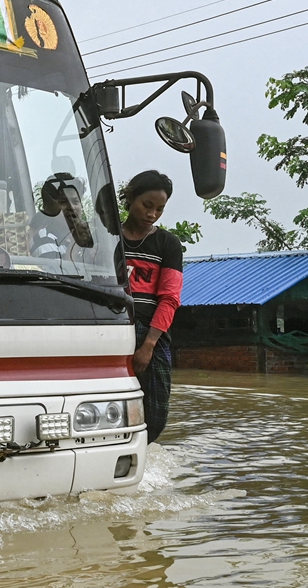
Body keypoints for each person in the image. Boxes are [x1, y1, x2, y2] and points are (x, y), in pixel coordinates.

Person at [120, 170, 182, 444]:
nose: (152, 214)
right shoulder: (108, 237)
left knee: (156, 415)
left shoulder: (168, 244)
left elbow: (169, 298)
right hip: (111, 326)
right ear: (130, 197)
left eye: (159, 209)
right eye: (147, 205)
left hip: (150, 334)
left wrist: (148, 345)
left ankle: (139, 453)